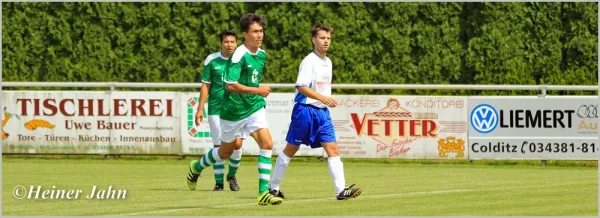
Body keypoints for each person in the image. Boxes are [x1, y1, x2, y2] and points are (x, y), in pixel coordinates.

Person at [187, 13, 283, 206]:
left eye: (261, 31)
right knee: (224, 153)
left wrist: (256, 95)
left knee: (267, 144)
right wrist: (258, 90)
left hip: (253, 107)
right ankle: (196, 166)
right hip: (232, 111)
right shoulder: (239, 55)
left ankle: (263, 192)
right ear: (245, 34)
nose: (259, 35)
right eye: (255, 31)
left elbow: (250, 82)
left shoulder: (262, 54)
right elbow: (230, 85)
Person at [267, 24, 362, 200]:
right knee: (291, 149)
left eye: (328, 38)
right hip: (305, 111)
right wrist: (323, 98)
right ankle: (273, 187)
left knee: (332, 148)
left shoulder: (329, 62)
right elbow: (301, 87)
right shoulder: (309, 61)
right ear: (313, 40)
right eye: (322, 38)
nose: (326, 41)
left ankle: (341, 190)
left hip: (322, 113)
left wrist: (324, 101)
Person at [187, 30, 242, 192]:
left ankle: (231, 175)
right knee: (220, 147)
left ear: (236, 43)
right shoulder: (212, 60)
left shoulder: (241, 59)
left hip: (236, 110)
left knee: (237, 145)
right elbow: (206, 85)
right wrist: (199, 108)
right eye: (226, 42)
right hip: (216, 110)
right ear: (221, 43)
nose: (229, 44)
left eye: (232, 41)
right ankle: (219, 183)